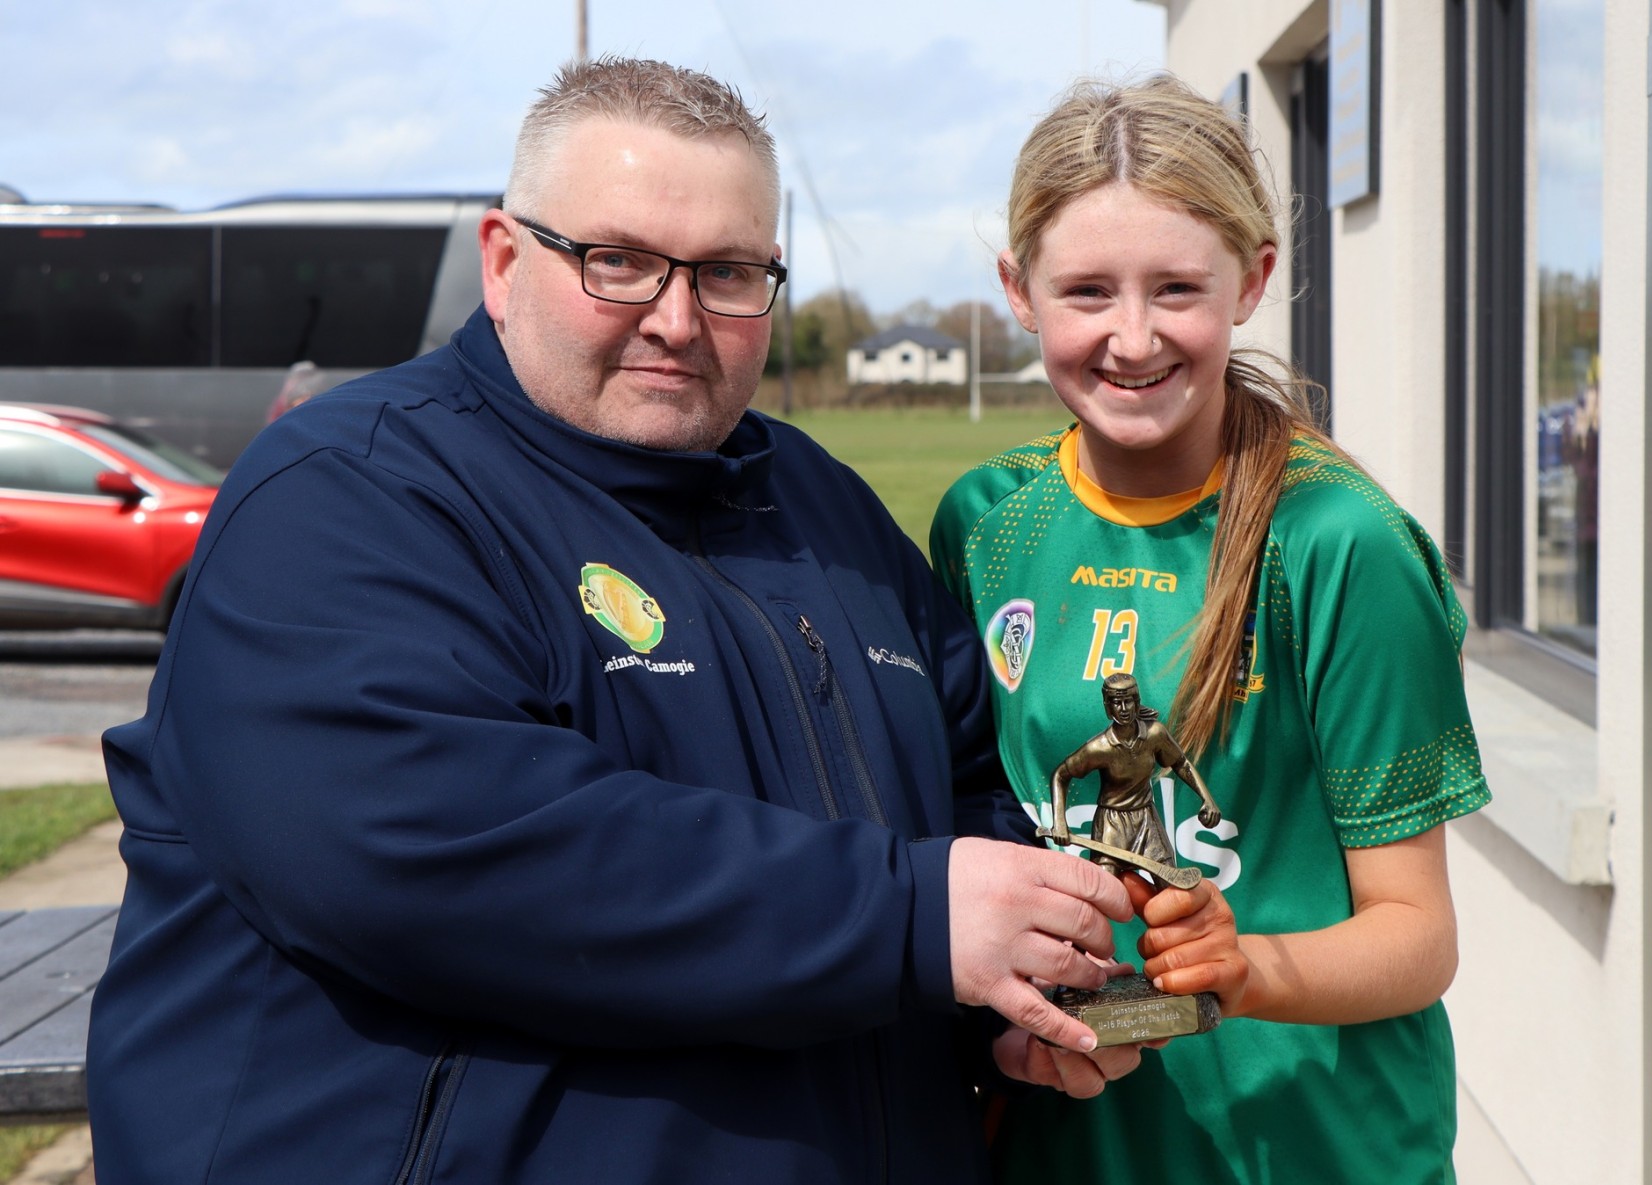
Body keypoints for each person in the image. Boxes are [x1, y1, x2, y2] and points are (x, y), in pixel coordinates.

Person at [87, 57, 1144, 1185]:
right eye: (620, 262)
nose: (677, 320)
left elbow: (971, 781)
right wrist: (913, 920)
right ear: (505, 262)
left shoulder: (826, 510)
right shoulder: (351, 493)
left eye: (729, 272)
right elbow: (437, 851)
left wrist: (1012, 991)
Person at [930, 74, 1492, 1184]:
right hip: (1075, 1150)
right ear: (1019, 291)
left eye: (1177, 288)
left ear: (1254, 279)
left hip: (1317, 1154)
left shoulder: (1338, 541)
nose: (1133, 336)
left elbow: (1418, 935)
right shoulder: (986, 521)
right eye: (1088, 290)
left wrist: (1248, 970)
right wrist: (1008, 1038)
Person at [1043, 674, 1222, 882]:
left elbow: (1181, 763)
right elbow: (1061, 775)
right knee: (1105, 890)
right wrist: (1059, 822)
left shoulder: (1155, 734)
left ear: (1137, 702)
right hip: (1111, 825)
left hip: (1146, 819)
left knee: (1170, 885)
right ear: (1108, 707)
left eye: (1128, 701)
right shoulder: (1099, 748)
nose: (1123, 708)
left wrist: (1207, 799)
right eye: (1116, 703)